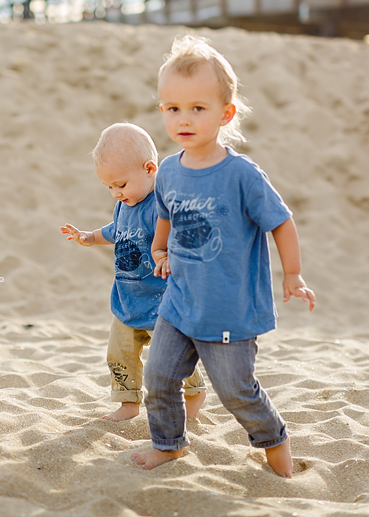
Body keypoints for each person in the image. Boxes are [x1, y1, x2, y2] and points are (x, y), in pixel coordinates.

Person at [131, 35, 315, 478]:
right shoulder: (169, 171)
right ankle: (169, 444)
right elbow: (165, 215)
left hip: (229, 310)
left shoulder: (241, 175)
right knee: (158, 378)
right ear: (162, 111)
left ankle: (276, 443)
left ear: (225, 113)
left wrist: (292, 274)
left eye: (198, 108)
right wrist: (159, 248)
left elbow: (280, 221)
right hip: (179, 304)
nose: (184, 119)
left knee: (236, 391)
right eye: (173, 108)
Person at [60, 123, 207, 422]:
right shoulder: (124, 205)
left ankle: (194, 392)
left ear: (150, 168)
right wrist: (89, 236)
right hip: (128, 300)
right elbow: (115, 231)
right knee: (119, 354)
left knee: (170, 358)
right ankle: (128, 402)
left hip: (163, 303)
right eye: (109, 187)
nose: (116, 193)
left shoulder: (160, 208)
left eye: (121, 184)